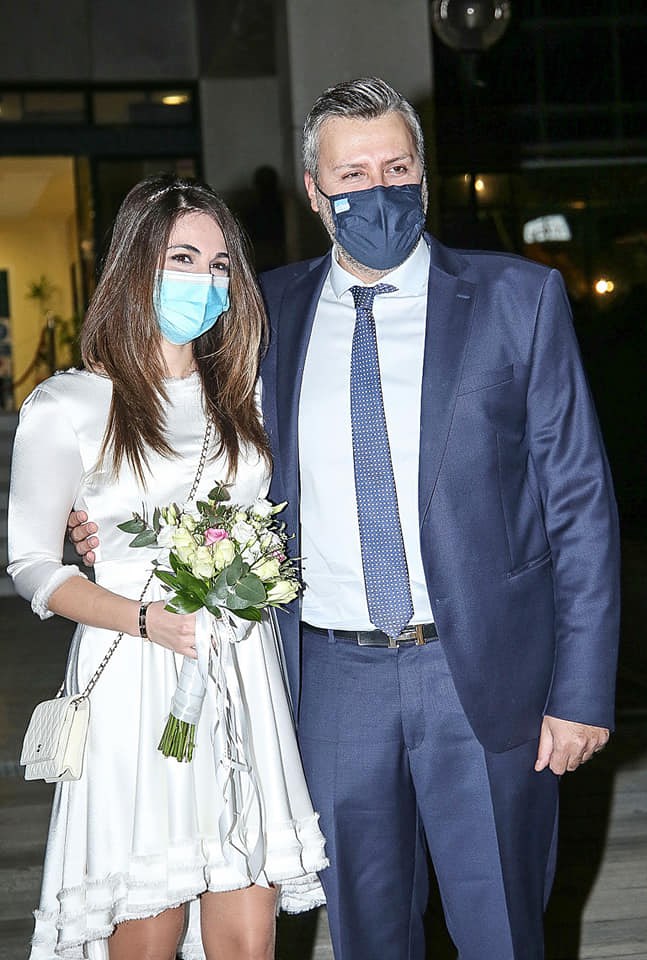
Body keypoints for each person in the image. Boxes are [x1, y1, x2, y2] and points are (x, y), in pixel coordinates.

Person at [70, 79, 621, 960]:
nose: (378, 191)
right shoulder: (263, 314)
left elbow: (580, 504)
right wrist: (104, 515)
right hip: (327, 682)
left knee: (502, 932)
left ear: (423, 175)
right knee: (367, 934)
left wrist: (581, 692)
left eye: (396, 168)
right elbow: (182, 434)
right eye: (352, 175)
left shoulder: (517, 299)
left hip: (483, 678)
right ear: (313, 189)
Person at [8, 173, 327, 960]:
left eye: (219, 265)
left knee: (248, 933)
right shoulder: (69, 404)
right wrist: (147, 619)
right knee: (149, 922)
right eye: (183, 258)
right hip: (137, 676)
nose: (204, 281)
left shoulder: (246, 392)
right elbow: (30, 565)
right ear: (135, 265)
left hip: (242, 671)